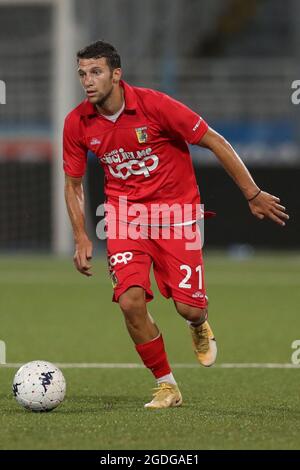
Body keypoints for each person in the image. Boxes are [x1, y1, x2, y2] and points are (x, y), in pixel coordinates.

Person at [63, 40, 289, 409]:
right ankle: (167, 386)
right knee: (130, 302)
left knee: (189, 308)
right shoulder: (77, 122)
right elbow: (73, 183)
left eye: (96, 72)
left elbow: (214, 141)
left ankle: (199, 323)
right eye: (83, 73)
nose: (88, 81)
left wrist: (252, 193)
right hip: (125, 219)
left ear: (116, 75)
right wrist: (80, 235)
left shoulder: (155, 106)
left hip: (176, 216)